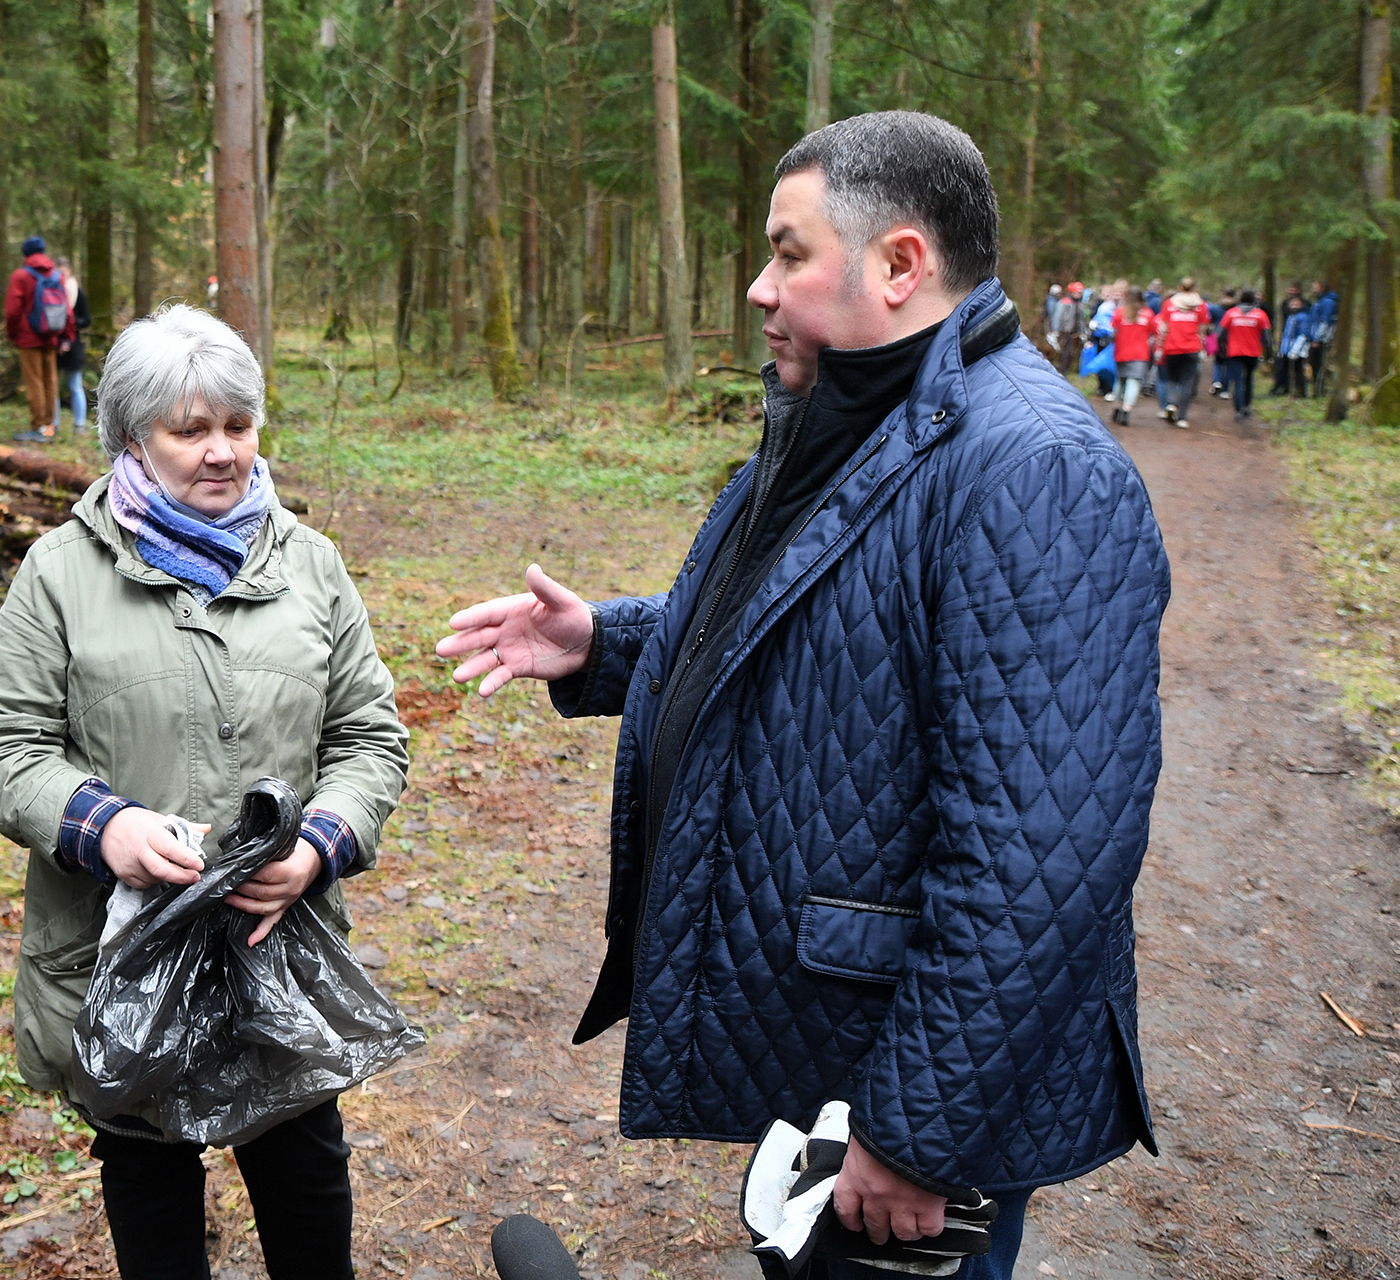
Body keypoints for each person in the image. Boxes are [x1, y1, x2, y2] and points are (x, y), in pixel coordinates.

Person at [438, 112, 1167, 1280]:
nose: (753, 285)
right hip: (834, 1056)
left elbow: (1043, 857)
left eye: (786, 252)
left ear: (897, 265)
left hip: (904, 1095)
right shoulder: (861, 418)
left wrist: (917, 1128)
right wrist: (604, 647)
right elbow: (817, 649)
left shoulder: (1030, 469)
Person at [0, 303, 409, 1280]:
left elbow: (368, 738)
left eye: (237, 426)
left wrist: (318, 843)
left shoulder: (310, 568)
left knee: (303, 1171)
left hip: (272, 953)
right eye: (189, 429)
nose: (221, 452)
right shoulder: (60, 573)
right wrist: (103, 824)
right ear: (133, 434)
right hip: (121, 961)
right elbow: (1, 745)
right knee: (149, 1179)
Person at [6, 234, 71, 441]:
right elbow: (67, 311)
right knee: (50, 381)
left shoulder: (21, 276)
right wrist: (66, 336)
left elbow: (12, 310)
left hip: (28, 338)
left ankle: (38, 427)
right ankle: (49, 426)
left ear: (25, 254)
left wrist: (13, 334)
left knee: (34, 382)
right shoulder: (56, 276)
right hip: (51, 337)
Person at [1157, 277, 1211, 428]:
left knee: (1172, 379)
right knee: (1187, 382)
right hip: (1192, 348)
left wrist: (1160, 347)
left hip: (1172, 346)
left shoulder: (1169, 304)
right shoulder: (1201, 306)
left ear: (1180, 287)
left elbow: (1164, 327)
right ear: (1194, 288)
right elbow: (1203, 328)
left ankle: (1171, 404)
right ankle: (1182, 417)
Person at [53, 256, 94, 431]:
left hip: (73, 344)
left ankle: (80, 424)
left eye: (63, 272)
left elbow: (86, 320)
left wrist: (70, 322)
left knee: (74, 385)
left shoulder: (79, 294)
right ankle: (53, 423)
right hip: (54, 344)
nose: (60, 276)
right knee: (53, 387)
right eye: (57, 272)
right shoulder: (52, 293)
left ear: (69, 271)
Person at [1220, 288, 1271, 421]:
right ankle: (1247, 406)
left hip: (1234, 352)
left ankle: (1238, 410)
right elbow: (1267, 338)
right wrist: (1269, 355)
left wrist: (1223, 350)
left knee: (1238, 380)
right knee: (1249, 379)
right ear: (1254, 300)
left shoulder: (1231, 313)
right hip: (1253, 352)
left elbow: (1221, 334)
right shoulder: (1260, 315)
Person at [1110, 286, 1155, 426]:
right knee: (1134, 381)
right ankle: (1126, 410)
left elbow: (1113, 332)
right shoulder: (1148, 314)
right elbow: (1153, 332)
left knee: (1121, 380)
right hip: (1140, 353)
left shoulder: (1119, 312)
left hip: (1121, 351)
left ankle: (1116, 408)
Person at [1276, 294, 1312, 398]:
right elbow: (1286, 335)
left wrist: (1295, 350)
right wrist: (1283, 349)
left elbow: (1303, 335)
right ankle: (1286, 389)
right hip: (1287, 349)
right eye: (1292, 303)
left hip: (1298, 351)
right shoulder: (1291, 317)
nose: (1294, 305)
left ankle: (1301, 391)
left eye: (1296, 303)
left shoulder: (1303, 317)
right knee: (1285, 371)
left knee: (1299, 372)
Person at [1308, 278, 1339, 393]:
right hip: (1314, 337)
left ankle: (1320, 390)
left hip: (1322, 339)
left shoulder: (1328, 302)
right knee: (1314, 364)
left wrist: (1317, 338)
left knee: (1320, 364)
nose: (1313, 289)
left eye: (1315, 286)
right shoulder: (1319, 301)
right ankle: (1317, 388)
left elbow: (1325, 322)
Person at [1208, 288, 1233, 397]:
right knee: (1229, 364)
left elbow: (1210, 321)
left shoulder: (1215, 308)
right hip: (1232, 338)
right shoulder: (1235, 309)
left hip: (1218, 337)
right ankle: (1225, 389)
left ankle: (1217, 381)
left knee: (1218, 362)